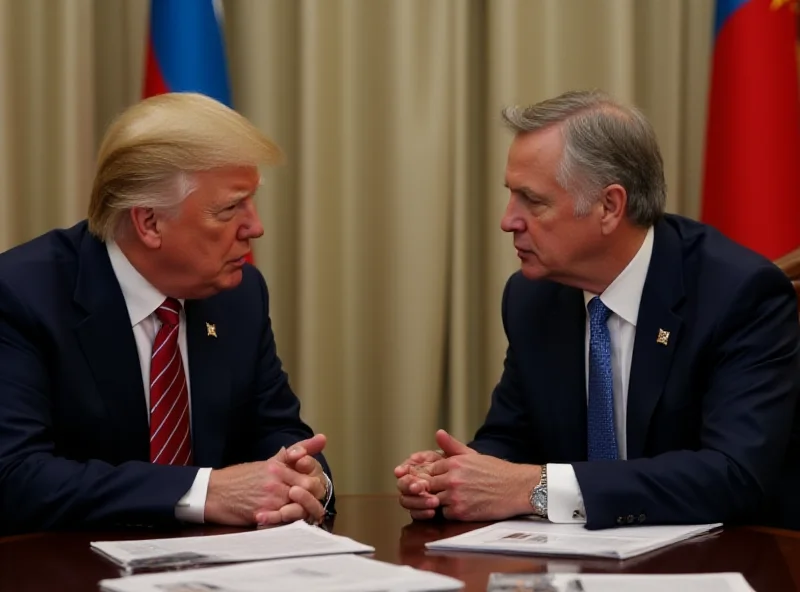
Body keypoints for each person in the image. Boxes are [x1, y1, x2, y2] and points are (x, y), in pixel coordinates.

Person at [395, 90, 800, 530]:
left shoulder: (739, 295)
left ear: (609, 207)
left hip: (719, 559)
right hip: (580, 560)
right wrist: (454, 476)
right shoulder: (534, 298)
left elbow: (733, 474)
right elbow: (513, 436)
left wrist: (533, 486)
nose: (507, 220)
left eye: (533, 200)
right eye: (511, 195)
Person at [0, 92, 334, 535]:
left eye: (251, 202)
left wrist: (307, 481)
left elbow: (275, 427)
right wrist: (204, 491)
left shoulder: (239, 295)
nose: (255, 227)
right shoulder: (23, 295)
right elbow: (16, 477)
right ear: (150, 223)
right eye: (231, 208)